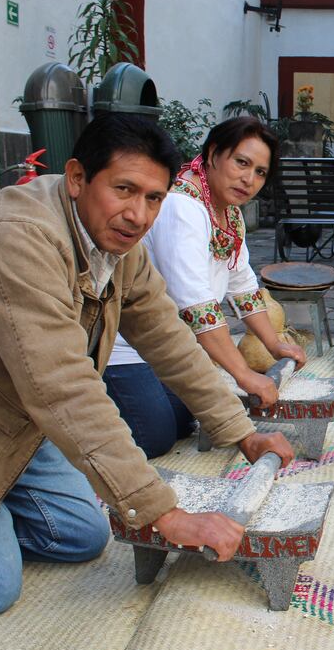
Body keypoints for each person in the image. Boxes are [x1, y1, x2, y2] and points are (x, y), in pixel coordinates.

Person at [0, 114, 294, 616]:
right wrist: (165, 514)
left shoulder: (115, 242)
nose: (138, 214)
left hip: (16, 422)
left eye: (153, 198)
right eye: (124, 189)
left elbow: (169, 337)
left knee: (86, 537)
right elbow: (62, 387)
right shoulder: (16, 237)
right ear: (77, 178)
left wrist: (241, 432)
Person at [104, 117, 306, 459]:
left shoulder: (228, 212)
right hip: (129, 348)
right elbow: (196, 305)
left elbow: (242, 285)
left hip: (172, 349)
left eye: (259, 172)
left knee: (187, 419)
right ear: (213, 154)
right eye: (241, 163)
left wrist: (275, 344)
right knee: (156, 436)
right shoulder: (182, 207)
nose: (249, 179)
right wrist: (243, 374)